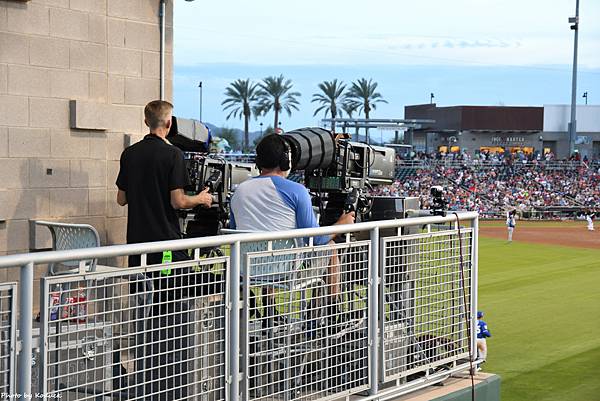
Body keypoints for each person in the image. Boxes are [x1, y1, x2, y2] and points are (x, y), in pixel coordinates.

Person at [115, 100, 217, 400]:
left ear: (146, 121)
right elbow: (178, 202)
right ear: (169, 123)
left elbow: (121, 199)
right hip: (168, 248)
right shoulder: (174, 154)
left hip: (138, 247)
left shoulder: (129, 153)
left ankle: (149, 379)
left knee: (148, 312)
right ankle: (171, 382)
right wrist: (201, 199)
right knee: (175, 310)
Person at [229, 134, 355, 324]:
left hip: (247, 269)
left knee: (267, 245)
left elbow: (235, 229)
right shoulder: (296, 190)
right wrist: (342, 224)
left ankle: (269, 308)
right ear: (285, 161)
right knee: (330, 247)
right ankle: (333, 313)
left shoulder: (239, 191)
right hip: (286, 271)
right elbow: (317, 239)